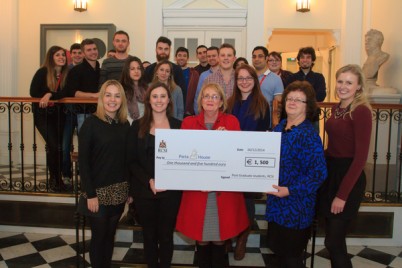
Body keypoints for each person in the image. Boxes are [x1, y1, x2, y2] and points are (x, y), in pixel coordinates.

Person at [176, 83, 249, 268]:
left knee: (219, 239)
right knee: (201, 239)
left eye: (214, 96)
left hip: (223, 193)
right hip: (197, 192)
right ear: (200, 100)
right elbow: (183, 159)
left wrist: (228, 141)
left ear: (221, 101)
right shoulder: (188, 123)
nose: (210, 100)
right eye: (206, 96)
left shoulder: (231, 122)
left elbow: (238, 157)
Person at [266, 81, 327, 267]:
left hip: (296, 206)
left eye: (299, 100)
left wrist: (290, 190)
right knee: (279, 254)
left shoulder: (308, 135)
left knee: (292, 258)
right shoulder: (280, 127)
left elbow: (318, 173)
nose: (292, 102)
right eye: (290, 98)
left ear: (307, 106)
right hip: (276, 204)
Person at [318, 64, 372, 268]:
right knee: (333, 241)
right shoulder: (337, 108)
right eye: (340, 81)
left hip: (349, 177)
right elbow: (333, 148)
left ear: (358, 87)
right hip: (332, 173)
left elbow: (360, 159)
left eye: (349, 82)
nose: (343, 86)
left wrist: (342, 195)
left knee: (333, 242)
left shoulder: (361, 111)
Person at [127, 82, 182, 268]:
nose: (159, 100)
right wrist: (149, 180)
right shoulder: (136, 126)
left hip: (171, 192)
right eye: (155, 96)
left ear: (169, 100)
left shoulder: (179, 126)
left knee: (166, 236)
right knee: (149, 235)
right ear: (148, 100)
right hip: (144, 190)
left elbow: (185, 160)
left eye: (163, 96)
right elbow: (132, 161)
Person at [77, 80, 131, 268]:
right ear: (102, 98)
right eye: (108, 95)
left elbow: (127, 161)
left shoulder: (125, 125)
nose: (112, 99)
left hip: (118, 192)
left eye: (117, 95)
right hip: (96, 194)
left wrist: (129, 192)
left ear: (122, 100)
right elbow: (83, 162)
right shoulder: (91, 124)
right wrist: (90, 194)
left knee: (109, 238)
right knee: (99, 239)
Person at [226, 64, 270, 260]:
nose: (244, 81)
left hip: (250, 160)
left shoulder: (262, 103)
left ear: (254, 80)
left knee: (247, 202)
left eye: (248, 78)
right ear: (236, 82)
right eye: (240, 78)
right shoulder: (229, 102)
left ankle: (242, 238)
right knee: (228, 200)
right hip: (229, 158)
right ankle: (227, 235)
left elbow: (264, 135)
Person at [30, 45, 69, 191]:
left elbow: (66, 92)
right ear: (51, 58)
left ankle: (56, 179)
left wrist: (50, 94)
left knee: (58, 148)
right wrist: (48, 93)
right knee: (53, 145)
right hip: (43, 116)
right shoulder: (42, 72)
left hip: (59, 116)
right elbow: (33, 92)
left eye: (63, 55)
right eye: (57, 55)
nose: (61, 58)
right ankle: (54, 180)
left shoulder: (66, 74)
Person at [65, 38, 100, 132]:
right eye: (89, 50)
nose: (93, 52)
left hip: (101, 111)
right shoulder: (76, 71)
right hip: (83, 113)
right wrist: (93, 95)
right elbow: (72, 92)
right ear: (83, 53)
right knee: (85, 143)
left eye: (94, 49)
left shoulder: (101, 70)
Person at [62, 43, 82, 185]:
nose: (77, 55)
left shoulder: (87, 69)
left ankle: (82, 173)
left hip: (83, 111)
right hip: (69, 112)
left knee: (84, 144)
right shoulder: (66, 70)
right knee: (65, 145)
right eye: (74, 52)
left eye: (79, 52)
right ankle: (66, 174)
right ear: (71, 54)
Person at [144, 36, 186, 100]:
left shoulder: (177, 70)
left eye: (166, 49)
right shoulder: (148, 70)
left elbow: (182, 95)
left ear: (170, 50)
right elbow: (145, 94)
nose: (163, 51)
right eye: (160, 48)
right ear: (156, 50)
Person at [120, 56, 147, 122]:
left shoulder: (147, 89)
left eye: (138, 68)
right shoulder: (121, 89)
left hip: (145, 124)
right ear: (127, 71)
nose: (136, 71)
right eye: (132, 69)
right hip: (127, 124)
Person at [194, 46, 220, 114]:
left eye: (214, 56)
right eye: (209, 56)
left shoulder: (225, 74)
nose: (211, 58)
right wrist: (198, 114)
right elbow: (198, 96)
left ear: (219, 56)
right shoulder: (203, 75)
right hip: (207, 114)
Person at [175, 46, 200, 116]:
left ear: (187, 58)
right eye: (179, 55)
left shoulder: (194, 74)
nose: (181, 58)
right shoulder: (170, 72)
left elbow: (197, 94)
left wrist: (192, 110)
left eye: (184, 56)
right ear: (175, 57)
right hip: (173, 111)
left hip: (188, 112)